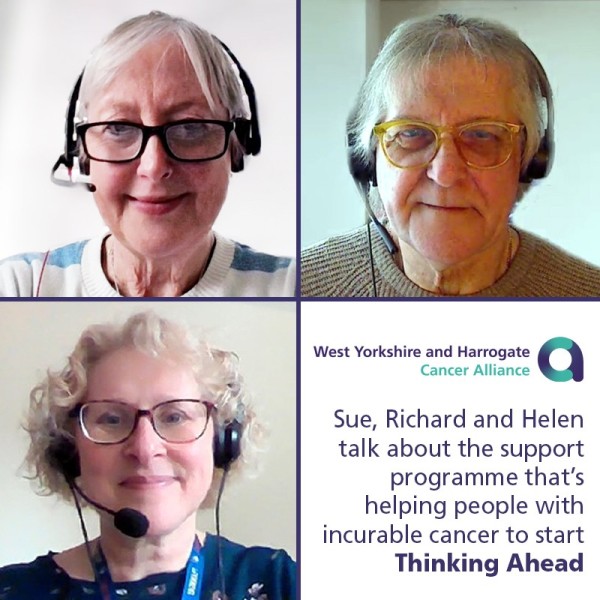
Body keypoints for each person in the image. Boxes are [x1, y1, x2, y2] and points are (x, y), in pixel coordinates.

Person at [0, 312, 296, 599]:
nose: (144, 449)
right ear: (68, 449)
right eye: (112, 419)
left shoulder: (283, 582)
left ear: (222, 443)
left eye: (175, 416)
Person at [301, 13, 600, 297]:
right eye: (411, 133)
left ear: (528, 159)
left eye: (482, 135)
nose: (444, 174)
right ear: (369, 159)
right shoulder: (295, 288)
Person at [0, 11, 294, 297]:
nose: (154, 166)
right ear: (82, 153)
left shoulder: (294, 285)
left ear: (236, 145)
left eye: (190, 127)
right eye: (118, 128)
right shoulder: (18, 286)